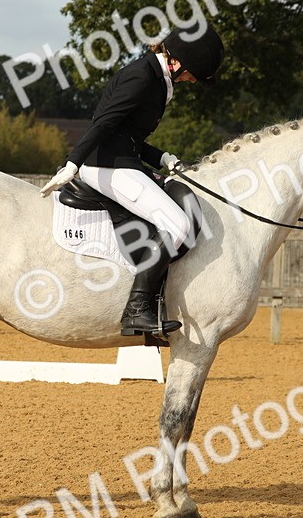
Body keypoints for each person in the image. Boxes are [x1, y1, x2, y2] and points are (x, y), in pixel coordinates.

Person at [39, 22, 225, 336]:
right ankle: (138, 309)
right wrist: (73, 162)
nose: (193, 80)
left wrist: (161, 157)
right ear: (178, 62)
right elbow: (105, 123)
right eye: (194, 73)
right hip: (104, 165)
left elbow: (130, 136)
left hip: (122, 161)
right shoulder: (141, 76)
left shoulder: (158, 80)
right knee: (177, 225)